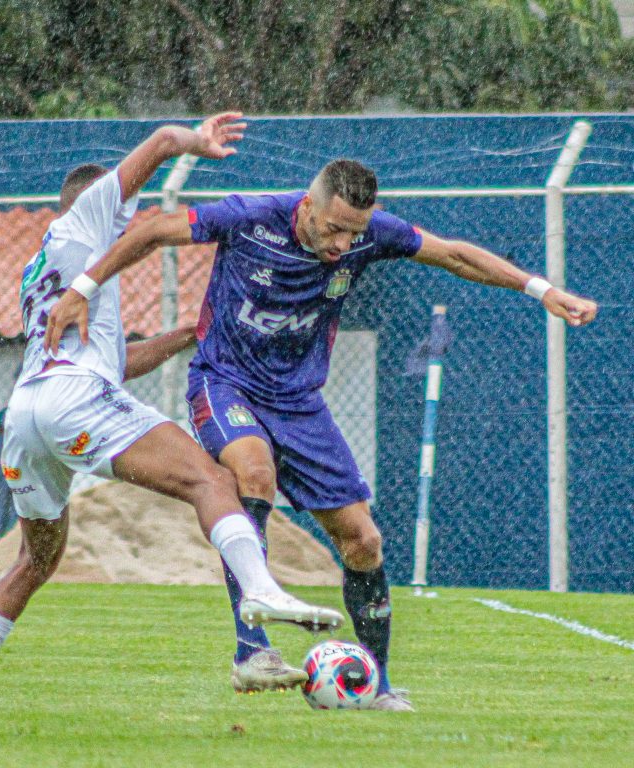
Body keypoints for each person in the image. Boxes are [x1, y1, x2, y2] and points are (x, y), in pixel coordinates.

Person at [44, 157, 598, 712]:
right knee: (253, 473)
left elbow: (452, 252)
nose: (342, 244)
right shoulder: (250, 218)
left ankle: (373, 682)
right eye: (333, 228)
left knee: (363, 541)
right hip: (225, 383)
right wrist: (85, 288)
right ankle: (252, 652)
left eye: (354, 232)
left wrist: (540, 289)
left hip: (300, 403)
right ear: (307, 207)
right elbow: (154, 230)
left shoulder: (368, 236)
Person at [0, 115, 345, 708]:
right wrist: (195, 143)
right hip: (74, 400)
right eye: (122, 198)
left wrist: (185, 335)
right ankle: (262, 591)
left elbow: (116, 364)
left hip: (27, 414)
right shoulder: (90, 217)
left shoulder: (46, 267)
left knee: (34, 561)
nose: (128, 206)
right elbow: (161, 143)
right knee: (215, 479)